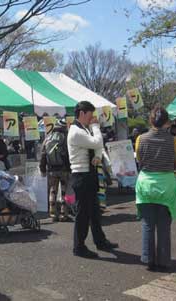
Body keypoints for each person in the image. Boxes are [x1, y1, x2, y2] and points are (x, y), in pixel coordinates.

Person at [67, 101, 118, 258]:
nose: (92, 119)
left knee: (95, 211)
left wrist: (97, 156)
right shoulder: (76, 131)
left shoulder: (83, 129)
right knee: (83, 214)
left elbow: (97, 147)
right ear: (82, 113)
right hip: (81, 176)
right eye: (90, 115)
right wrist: (96, 127)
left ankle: (100, 241)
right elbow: (97, 141)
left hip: (88, 174)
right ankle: (79, 247)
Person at [135, 105, 176, 271]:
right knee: (164, 225)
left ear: (151, 120)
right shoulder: (174, 140)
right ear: (167, 122)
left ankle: (148, 259)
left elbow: (139, 159)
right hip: (166, 186)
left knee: (148, 224)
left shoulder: (141, 138)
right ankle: (163, 260)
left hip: (146, 184)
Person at [40, 119, 70, 222]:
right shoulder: (66, 138)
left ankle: (52, 213)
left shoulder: (48, 139)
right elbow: (68, 155)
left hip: (51, 169)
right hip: (64, 169)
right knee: (65, 191)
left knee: (53, 190)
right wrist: (70, 168)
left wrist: (42, 169)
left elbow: (43, 155)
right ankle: (63, 214)